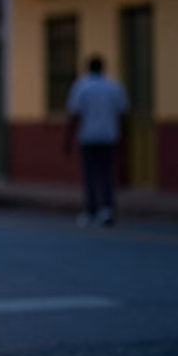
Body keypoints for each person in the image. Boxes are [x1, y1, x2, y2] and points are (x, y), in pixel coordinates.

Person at [64, 55, 128, 227]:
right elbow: (122, 113)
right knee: (107, 174)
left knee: (91, 176)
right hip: (109, 136)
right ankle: (107, 210)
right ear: (103, 68)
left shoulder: (81, 87)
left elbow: (74, 115)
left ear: (88, 68)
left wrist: (68, 140)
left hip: (89, 137)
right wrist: (123, 137)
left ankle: (92, 210)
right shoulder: (114, 86)